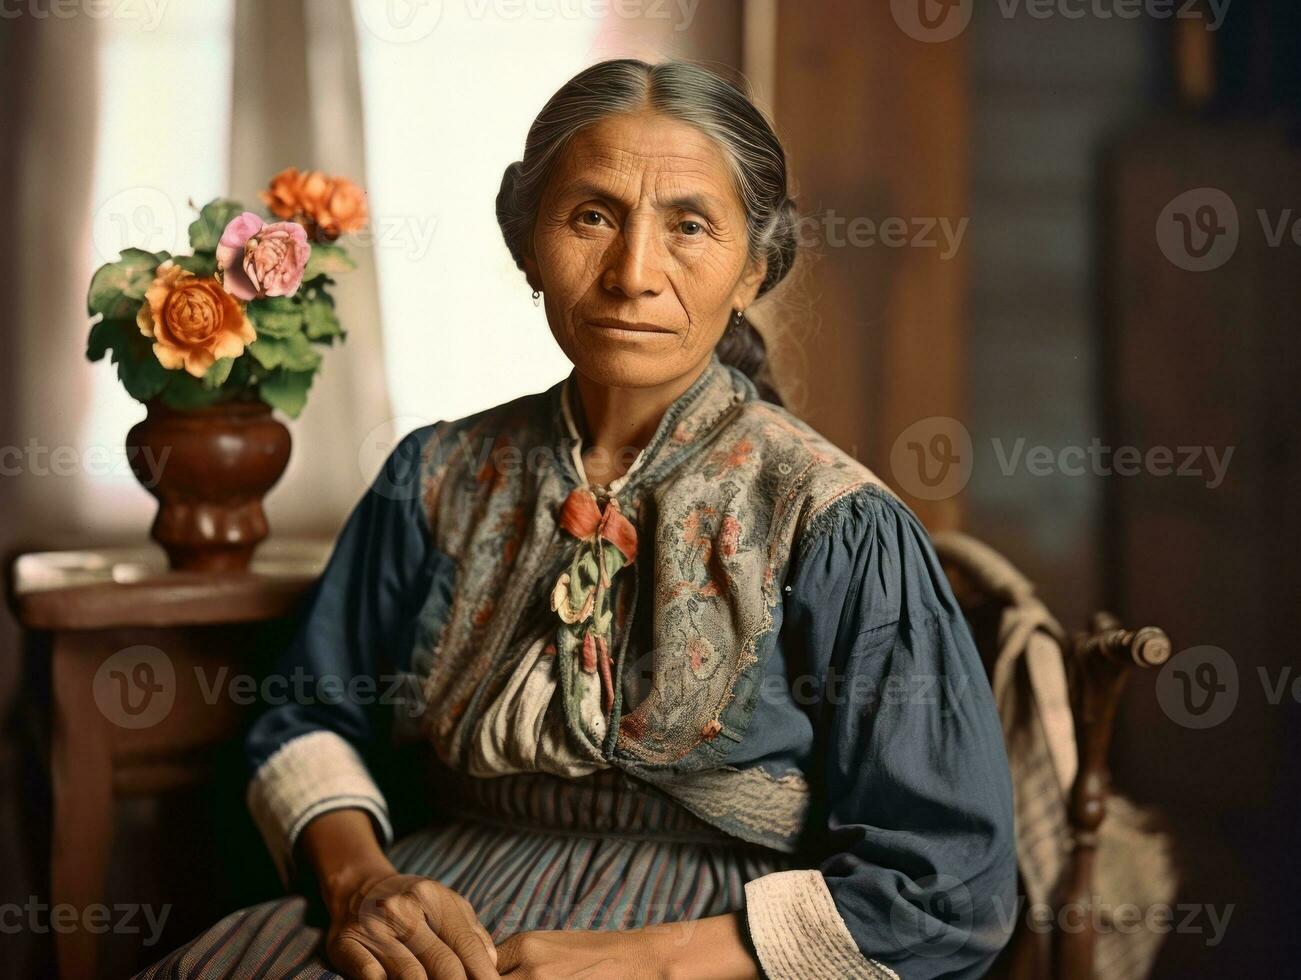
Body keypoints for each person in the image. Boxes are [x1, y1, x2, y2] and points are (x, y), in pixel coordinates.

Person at [138, 58, 1016, 980]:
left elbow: (949, 885)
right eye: (591, 216)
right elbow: (307, 718)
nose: (632, 273)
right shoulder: (432, 478)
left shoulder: (834, 523)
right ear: (527, 246)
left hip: (719, 945)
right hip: (435, 910)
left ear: (753, 269)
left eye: (689, 226)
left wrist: (652, 960)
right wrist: (361, 884)